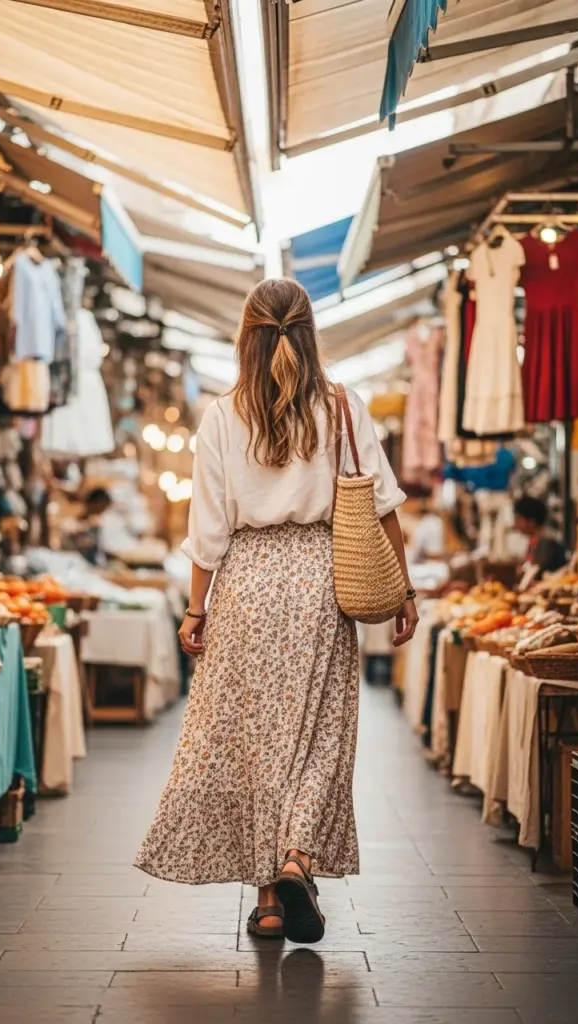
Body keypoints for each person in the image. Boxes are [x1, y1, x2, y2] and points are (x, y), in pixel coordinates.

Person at [134, 279, 418, 944]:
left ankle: (267, 901)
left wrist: (194, 610)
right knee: (317, 738)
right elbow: (381, 505)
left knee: (255, 748)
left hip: (246, 587)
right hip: (322, 583)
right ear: (308, 331)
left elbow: (206, 529)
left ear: (247, 334)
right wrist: (401, 588)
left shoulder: (222, 414)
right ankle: (296, 859)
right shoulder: (341, 406)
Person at [514, 495, 568, 574]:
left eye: (519, 518)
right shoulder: (534, 541)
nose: (516, 523)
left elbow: (539, 572)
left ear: (531, 521)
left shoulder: (548, 544)